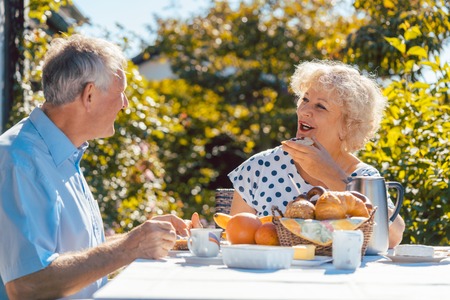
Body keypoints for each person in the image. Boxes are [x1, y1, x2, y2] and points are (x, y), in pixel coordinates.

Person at [0, 34, 199, 299]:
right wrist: (130, 247)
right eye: (120, 92)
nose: (125, 103)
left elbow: (74, 254)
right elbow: (27, 286)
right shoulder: (18, 160)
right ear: (90, 95)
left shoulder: (59, 153)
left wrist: (140, 238)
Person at [228, 59, 405, 248]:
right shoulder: (260, 167)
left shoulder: (364, 178)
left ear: (348, 126)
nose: (304, 110)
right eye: (305, 99)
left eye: (320, 106)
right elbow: (234, 239)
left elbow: (393, 237)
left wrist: (333, 177)